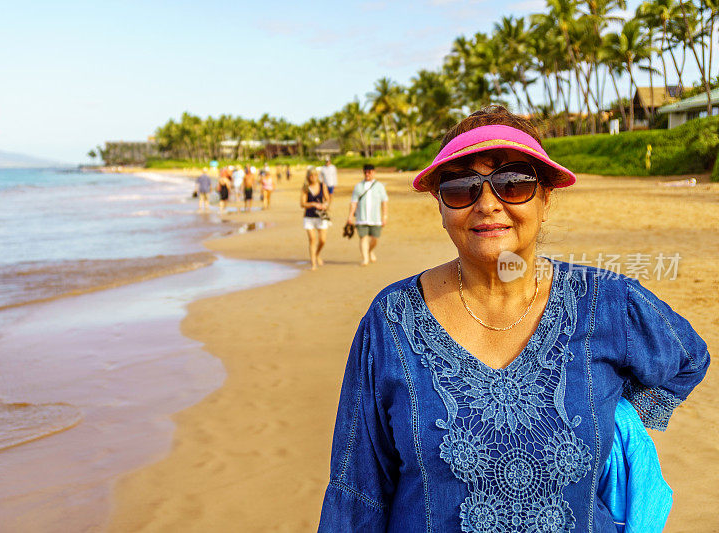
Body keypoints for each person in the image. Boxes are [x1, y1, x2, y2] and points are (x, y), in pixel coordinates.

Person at [318, 105, 710, 531]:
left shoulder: (610, 303)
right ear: (441, 206)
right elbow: (357, 487)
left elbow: (688, 357)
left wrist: (617, 415)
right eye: (461, 187)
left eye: (513, 183)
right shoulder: (391, 321)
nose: (487, 203)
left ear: (545, 197)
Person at [347, 164, 388, 266]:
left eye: (369, 172)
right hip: (361, 218)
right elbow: (353, 202)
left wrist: (385, 216)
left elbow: (384, 202)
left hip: (376, 218)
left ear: (374, 172)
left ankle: (370, 251)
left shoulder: (379, 186)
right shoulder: (358, 186)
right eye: (365, 172)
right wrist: (350, 216)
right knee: (363, 238)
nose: (367, 174)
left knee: (375, 239)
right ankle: (365, 258)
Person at [301, 168, 330, 271]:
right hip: (309, 217)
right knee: (312, 239)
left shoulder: (323, 186)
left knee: (322, 240)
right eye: (311, 176)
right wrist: (313, 204)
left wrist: (325, 205)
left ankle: (317, 254)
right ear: (308, 177)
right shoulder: (305, 188)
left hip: (321, 216)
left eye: (315, 175)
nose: (313, 177)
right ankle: (313, 263)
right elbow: (302, 204)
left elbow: (327, 198)